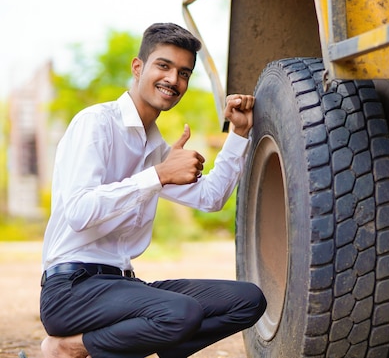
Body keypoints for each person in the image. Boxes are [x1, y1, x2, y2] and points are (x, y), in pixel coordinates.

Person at [39, 22, 266, 358]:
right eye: (164, 65)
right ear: (137, 67)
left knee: (248, 300)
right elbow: (78, 211)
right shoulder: (97, 123)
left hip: (123, 286)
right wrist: (158, 175)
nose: (174, 80)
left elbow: (211, 198)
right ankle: (69, 348)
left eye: (184, 73)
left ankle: (154, 342)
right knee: (181, 313)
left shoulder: (156, 148)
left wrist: (239, 133)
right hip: (72, 288)